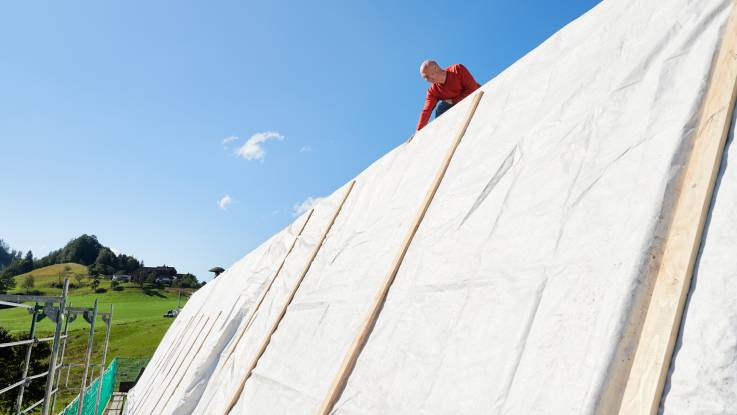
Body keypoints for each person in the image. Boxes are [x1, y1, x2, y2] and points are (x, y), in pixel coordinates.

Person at [416, 61, 481, 131]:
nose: (426, 80)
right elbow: (426, 110)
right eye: (424, 78)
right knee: (441, 108)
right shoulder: (432, 91)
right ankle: (442, 133)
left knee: (442, 106)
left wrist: (453, 100)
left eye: (426, 76)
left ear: (435, 68)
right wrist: (418, 130)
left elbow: (473, 89)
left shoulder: (457, 69)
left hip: (476, 97)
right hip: (457, 106)